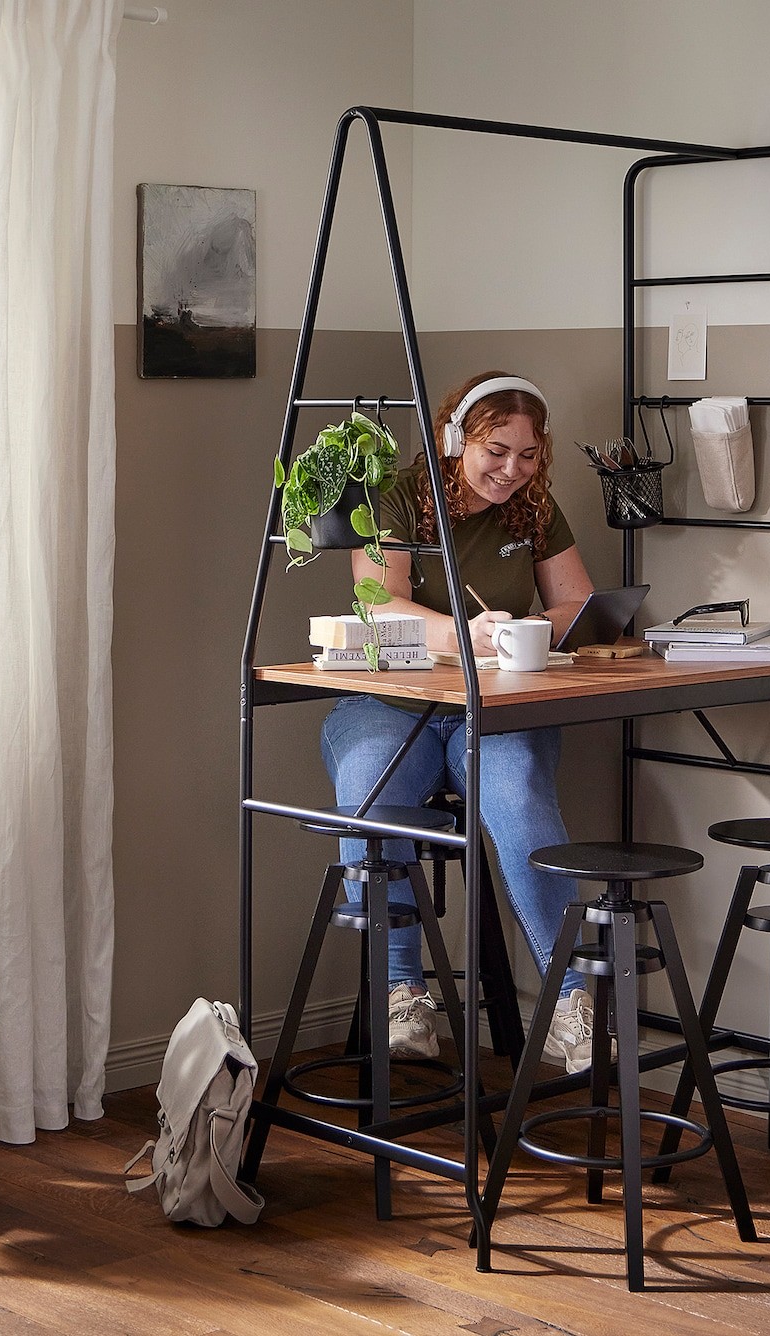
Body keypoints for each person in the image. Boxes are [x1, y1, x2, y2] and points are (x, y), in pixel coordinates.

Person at [321, 371, 601, 1073]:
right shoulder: (394, 498)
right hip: (389, 704)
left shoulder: (532, 509)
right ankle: (401, 993)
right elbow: (376, 607)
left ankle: (571, 1006)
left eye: (529, 455)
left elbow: (579, 603)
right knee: (369, 791)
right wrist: (460, 634)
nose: (513, 470)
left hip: (495, 710)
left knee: (519, 799)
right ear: (454, 440)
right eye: (496, 451)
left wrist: (525, 628)